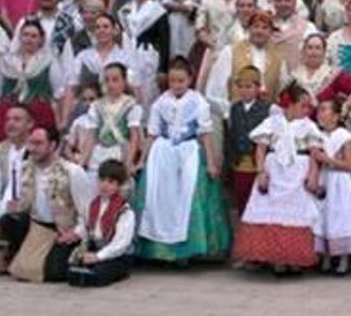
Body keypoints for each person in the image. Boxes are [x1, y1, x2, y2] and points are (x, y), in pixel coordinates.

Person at [135, 57, 231, 264]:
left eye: (181, 81)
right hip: (163, 152)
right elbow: (152, 133)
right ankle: (159, 250)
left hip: (189, 152)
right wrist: (143, 159)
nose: (176, 85)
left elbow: (205, 134)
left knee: (188, 197)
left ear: (189, 79)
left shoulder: (198, 101)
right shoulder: (161, 102)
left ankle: (187, 251)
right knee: (158, 196)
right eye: (172, 81)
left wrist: (212, 162)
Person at [231, 84, 322, 274]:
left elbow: (315, 152)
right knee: (270, 210)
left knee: (296, 213)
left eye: (308, 107)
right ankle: (276, 258)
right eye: (302, 106)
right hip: (275, 170)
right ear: (290, 104)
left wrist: (313, 175)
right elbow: (261, 148)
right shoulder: (273, 122)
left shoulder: (309, 126)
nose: (307, 111)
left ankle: (294, 258)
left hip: (298, 171)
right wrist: (261, 172)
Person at [0, 126, 94, 283]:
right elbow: (13, 199)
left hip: (63, 230)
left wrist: (77, 232)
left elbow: (89, 211)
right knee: (8, 220)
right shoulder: (24, 168)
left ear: (53, 145)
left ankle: (30, 261)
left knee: (54, 273)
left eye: (38, 143)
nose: (32, 148)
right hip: (35, 227)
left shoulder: (72, 171)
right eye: (30, 143)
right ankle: (23, 257)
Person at [0, 22, 63, 152]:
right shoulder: (7, 61)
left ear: (41, 40)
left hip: (39, 112)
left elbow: (59, 92)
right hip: (7, 111)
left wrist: (60, 121)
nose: (29, 39)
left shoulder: (49, 61)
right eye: (25, 35)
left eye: (34, 36)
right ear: (19, 37)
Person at [205, 11, 291, 119]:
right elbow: (216, 90)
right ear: (249, 29)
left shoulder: (278, 59)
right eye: (256, 26)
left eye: (265, 28)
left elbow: (281, 91)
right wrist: (230, 112)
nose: (259, 31)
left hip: (266, 120)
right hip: (236, 118)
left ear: (270, 32)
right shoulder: (231, 51)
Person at [310, 100, 351, 274]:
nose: (320, 113)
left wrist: (326, 159)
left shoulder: (344, 136)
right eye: (319, 110)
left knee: (340, 216)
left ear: (336, 116)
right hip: (325, 180)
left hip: (340, 181)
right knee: (323, 215)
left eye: (325, 110)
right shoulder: (317, 135)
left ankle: (343, 258)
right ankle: (326, 256)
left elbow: (348, 164)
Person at [68, 159, 134, 287]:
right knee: (71, 269)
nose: (105, 185)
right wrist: (77, 238)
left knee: (97, 274)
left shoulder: (124, 211)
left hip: (116, 255)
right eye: (102, 180)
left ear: (119, 185)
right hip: (96, 248)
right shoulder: (93, 205)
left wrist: (99, 256)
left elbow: (121, 243)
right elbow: (86, 227)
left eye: (111, 182)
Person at [0, 105, 34, 246]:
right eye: (8, 119)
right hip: (3, 209)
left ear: (30, 124)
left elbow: (19, 187)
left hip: (29, 208)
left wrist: (2, 214)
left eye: (17, 119)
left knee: (14, 220)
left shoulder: (35, 150)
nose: (10, 123)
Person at [76, 63, 142, 177]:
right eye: (107, 80)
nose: (111, 84)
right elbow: (91, 136)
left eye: (115, 80)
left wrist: (128, 164)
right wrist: (81, 164)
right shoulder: (97, 106)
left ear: (124, 81)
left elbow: (134, 137)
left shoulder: (131, 106)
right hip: (98, 154)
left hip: (119, 153)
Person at [223, 66, 272, 214]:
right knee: (241, 196)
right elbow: (231, 134)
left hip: (257, 162)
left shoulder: (266, 109)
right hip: (238, 161)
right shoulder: (234, 108)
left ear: (257, 88)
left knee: (258, 198)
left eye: (249, 87)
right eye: (241, 87)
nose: (245, 90)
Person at [291, 34, 351, 117]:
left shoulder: (334, 75)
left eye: (318, 48)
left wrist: (344, 108)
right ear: (304, 51)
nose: (313, 52)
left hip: (328, 127)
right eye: (310, 47)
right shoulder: (294, 77)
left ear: (324, 52)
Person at [120, 0, 171, 72]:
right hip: (128, 57)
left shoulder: (158, 11)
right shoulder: (125, 10)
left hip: (149, 59)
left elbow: (164, 43)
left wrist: (163, 69)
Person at [268, 0, 319, 69]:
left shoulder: (308, 27)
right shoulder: (265, 26)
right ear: (273, 2)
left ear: (295, 2)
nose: (283, 4)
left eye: (287, 0)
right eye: (279, 0)